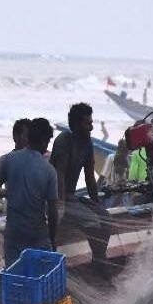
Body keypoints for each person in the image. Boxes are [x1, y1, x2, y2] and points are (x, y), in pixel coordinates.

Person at [50, 103, 112, 280]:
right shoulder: (63, 140)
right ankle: (100, 261)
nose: (91, 127)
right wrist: (60, 206)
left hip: (71, 196)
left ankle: (98, 258)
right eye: (87, 123)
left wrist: (96, 204)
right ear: (76, 125)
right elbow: (59, 174)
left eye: (92, 122)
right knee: (92, 221)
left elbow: (90, 178)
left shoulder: (87, 143)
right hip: (54, 196)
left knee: (104, 217)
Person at [0, 118, 60, 266]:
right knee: (39, 277)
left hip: (14, 232)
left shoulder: (8, 160)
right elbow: (53, 213)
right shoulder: (49, 170)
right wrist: (52, 241)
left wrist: (7, 193)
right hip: (37, 234)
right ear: (45, 141)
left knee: (15, 277)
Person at [0, 118, 30, 213]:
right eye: (27, 136)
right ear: (15, 137)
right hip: (14, 211)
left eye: (32, 136)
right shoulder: (5, 160)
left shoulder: (39, 160)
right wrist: (7, 194)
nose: (29, 140)